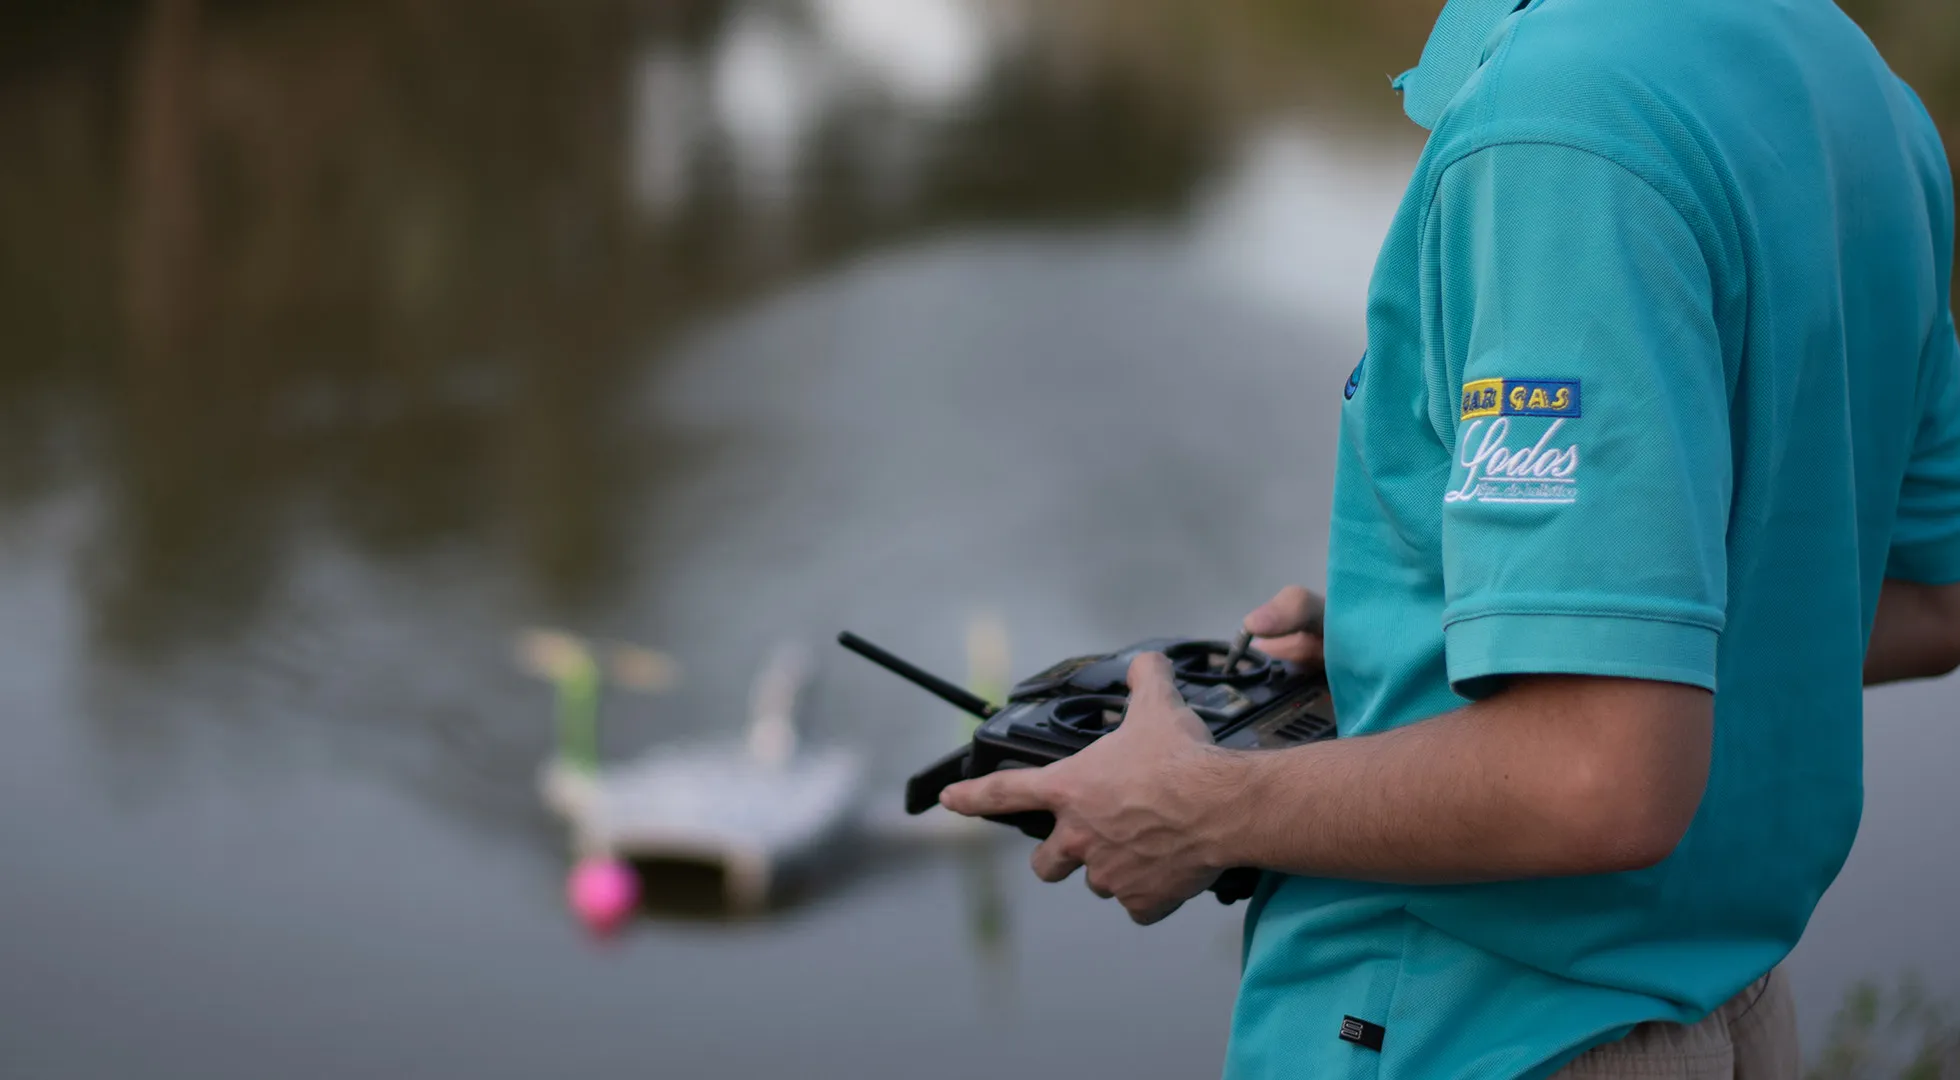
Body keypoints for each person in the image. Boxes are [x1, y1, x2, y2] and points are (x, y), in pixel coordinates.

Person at [938, 0, 1960, 1075]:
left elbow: (1599, 776)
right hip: (1734, 1010)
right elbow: (1929, 600)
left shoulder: (1561, 121)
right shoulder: (1851, 80)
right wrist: (1478, 634)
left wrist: (1207, 811)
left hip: (1486, 1028)